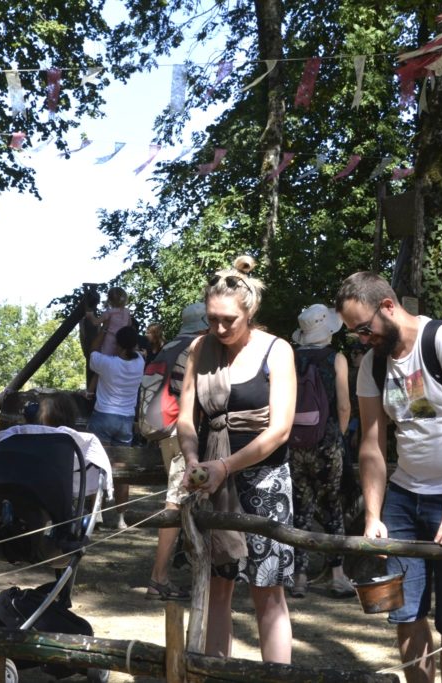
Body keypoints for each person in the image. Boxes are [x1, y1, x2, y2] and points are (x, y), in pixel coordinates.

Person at [336, 271, 442, 683]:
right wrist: (373, 515)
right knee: (405, 611)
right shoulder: (373, 365)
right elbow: (372, 444)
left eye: (365, 329)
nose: (363, 340)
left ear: (388, 307)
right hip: (405, 494)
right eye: (355, 333)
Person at [178, 255, 296, 664]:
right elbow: (187, 418)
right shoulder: (199, 348)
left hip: (264, 481)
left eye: (229, 320)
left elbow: (280, 429)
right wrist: (193, 460)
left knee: (268, 590)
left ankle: (277, 676)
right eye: (212, 319)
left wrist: (225, 466)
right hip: (209, 478)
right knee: (215, 584)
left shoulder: (277, 351)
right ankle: (214, 672)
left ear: (250, 313)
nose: (220, 328)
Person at [288, 303, 352, 598]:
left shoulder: (290, 357)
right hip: (327, 443)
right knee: (333, 506)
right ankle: (337, 576)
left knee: (300, 508)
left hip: (294, 442)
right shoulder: (335, 358)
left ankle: (299, 578)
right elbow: (343, 405)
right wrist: (338, 437)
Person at [146, 302, 208, 601]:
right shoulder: (198, 348)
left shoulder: (169, 347)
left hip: (164, 433)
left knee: (184, 501)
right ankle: (158, 579)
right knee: (176, 502)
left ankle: (178, 570)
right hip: (185, 435)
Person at [86, 324, 144, 529]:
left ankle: (97, 515)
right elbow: (136, 352)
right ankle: (121, 518)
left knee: (97, 466)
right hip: (125, 421)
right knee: (121, 469)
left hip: (103, 416)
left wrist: (104, 330)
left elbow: (92, 351)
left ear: (117, 344)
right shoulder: (140, 362)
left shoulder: (106, 363)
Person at [84, 286, 133, 398]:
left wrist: (90, 315)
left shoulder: (109, 313)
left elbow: (96, 322)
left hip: (109, 342)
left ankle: (90, 392)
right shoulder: (127, 312)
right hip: (121, 343)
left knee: (100, 369)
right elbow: (129, 325)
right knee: (119, 366)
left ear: (109, 300)